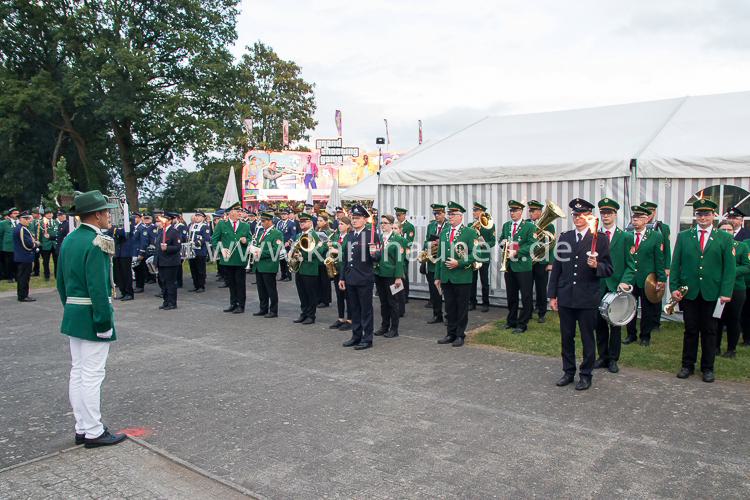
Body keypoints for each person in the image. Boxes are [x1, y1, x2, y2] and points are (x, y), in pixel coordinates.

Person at [56, 190, 127, 448]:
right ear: (97, 215)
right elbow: (99, 288)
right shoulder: (97, 242)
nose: (109, 215)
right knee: (92, 375)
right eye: (106, 211)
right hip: (92, 314)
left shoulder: (69, 239)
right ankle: (94, 430)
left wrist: (71, 309)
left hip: (74, 313)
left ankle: (82, 427)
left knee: (78, 372)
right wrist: (103, 321)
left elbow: (61, 283)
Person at [548, 198, 613, 391]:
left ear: (589, 217)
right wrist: (552, 295)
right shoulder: (565, 237)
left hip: (587, 297)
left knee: (587, 338)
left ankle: (585, 374)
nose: (577, 218)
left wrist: (597, 266)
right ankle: (568, 371)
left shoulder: (599, 239)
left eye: (582, 215)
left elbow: (609, 268)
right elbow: (557, 267)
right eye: (575, 215)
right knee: (566, 336)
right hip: (566, 296)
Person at [671, 198, 735, 383]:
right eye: (699, 214)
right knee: (690, 330)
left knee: (710, 331)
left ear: (713, 216)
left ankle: (708, 368)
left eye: (706, 214)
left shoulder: (724, 237)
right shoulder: (684, 236)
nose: (703, 217)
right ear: (695, 216)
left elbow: (729, 269)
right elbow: (676, 264)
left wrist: (725, 292)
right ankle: (687, 365)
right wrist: (674, 288)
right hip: (689, 291)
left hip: (712, 292)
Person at [594, 198, 635, 373]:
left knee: (615, 325)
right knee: (598, 324)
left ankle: (613, 358)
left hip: (616, 286)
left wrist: (625, 281)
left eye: (609, 213)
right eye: (603, 213)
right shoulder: (594, 235)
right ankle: (602, 356)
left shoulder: (625, 237)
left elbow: (631, 264)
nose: (605, 216)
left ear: (615, 215)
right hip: (597, 285)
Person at [434, 201, 478, 347]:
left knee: (461, 307)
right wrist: (437, 277)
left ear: (461, 216)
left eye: (453, 214)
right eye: (449, 214)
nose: (450, 217)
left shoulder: (470, 232)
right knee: (450, 307)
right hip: (446, 276)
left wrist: (459, 263)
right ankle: (450, 333)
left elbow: (477, 254)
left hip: (462, 276)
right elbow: (440, 255)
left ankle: (460, 334)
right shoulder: (445, 232)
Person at [623, 205, 666, 347]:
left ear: (646, 219)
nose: (635, 221)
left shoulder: (655, 236)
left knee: (647, 309)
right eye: (634, 218)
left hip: (647, 278)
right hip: (630, 278)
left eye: (639, 218)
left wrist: (661, 278)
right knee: (630, 307)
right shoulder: (627, 235)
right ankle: (631, 334)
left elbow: (659, 259)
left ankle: (645, 335)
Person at [339, 205, 380, 350]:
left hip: (364, 278)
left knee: (366, 310)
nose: (354, 221)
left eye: (357, 218)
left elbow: (377, 258)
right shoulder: (350, 236)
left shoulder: (371, 235)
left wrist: (374, 253)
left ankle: (367, 338)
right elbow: (345, 259)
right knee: (354, 309)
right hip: (350, 278)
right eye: (353, 218)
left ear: (364, 219)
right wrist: (342, 278)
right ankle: (356, 336)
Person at [499, 200, 535, 334]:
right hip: (509, 265)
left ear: (521, 212)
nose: (512, 213)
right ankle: (511, 320)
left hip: (523, 265)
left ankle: (523, 323)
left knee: (526, 296)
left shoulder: (529, 227)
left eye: (515, 211)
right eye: (511, 211)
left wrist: (517, 252)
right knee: (511, 295)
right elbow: (501, 239)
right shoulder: (506, 225)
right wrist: (503, 243)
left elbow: (532, 244)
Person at [716, 220, 750, 358]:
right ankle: (715, 347)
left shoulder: (741, 246)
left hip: (736, 288)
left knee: (733, 319)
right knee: (717, 319)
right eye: (722, 229)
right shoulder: (714, 246)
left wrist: (730, 271)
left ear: (733, 231)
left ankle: (731, 349)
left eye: (728, 230)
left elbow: (747, 266)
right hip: (717, 288)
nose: (726, 232)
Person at [212, 202, 251, 313]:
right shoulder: (221, 224)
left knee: (240, 283)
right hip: (227, 259)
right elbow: (214, 240)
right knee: (231, 283)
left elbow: (250, 239)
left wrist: (245, 241)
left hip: (240, 259)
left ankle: (241, 305)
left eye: (240, 211)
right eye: (237, 211)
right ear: (230, 213)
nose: (240, 213)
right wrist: (221, 249)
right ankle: (233, 303)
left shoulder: (245, 225)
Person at [374, 215, 405, 338]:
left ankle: (394, 328)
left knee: (393, 302)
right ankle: (384, 326)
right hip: (379, 273)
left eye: (385, 223)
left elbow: (399, 260)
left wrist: (398, 277)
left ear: (392, 224)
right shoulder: (379, 238)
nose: (383, 225)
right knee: (383, 302)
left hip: (392, 275)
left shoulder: (397, 239)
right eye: (381, 223)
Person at [291, 213, 323, 325]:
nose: (302, 223)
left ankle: (311, 315)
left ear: (310, 223)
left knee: (311, 293)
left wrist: (302, 255)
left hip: (310, 268)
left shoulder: (314, 235)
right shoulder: (298, 235)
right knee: (302, 293)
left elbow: (320, 251)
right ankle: (304, 313)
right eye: (300, 222)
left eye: (304, 222)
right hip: (299, 268)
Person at [251, 211, 283, 318]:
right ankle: (263, 308)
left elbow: (276, 250)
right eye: (261, 221)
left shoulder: (277, 233)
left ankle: (273, 310)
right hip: (259, 265)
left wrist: (260, 253)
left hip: (269, 265)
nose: (262, 223)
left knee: (271, 289)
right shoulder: (261, 233)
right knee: (261, 289)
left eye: (264, 221)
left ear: (270, 221)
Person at [527, 200, 554, 322]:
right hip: (527, 260)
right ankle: (528, 310)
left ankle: (542, 312)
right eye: (530, 211)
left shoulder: (549, 225)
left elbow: (552, 244)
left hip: (542, 261)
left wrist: (550, 263)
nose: (530, 213)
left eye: (533, 211)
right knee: (527, 288)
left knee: (541, 288)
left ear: (540, 212)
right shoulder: (527, 224)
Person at [726, 206, 750, 347]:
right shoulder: (721, 234)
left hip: (744, 281)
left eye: (735, 218)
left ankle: (747, 338)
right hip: (725, 283)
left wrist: (732, 271)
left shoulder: (747, 236)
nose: (732, 220)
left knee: (746, 312)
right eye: (730, 218)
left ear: (741, 221)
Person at [423, 203, 448, 324]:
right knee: (434, 291)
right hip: (432, 263)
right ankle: (437, 315)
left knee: (447, 292)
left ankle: (449, 316)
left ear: (444, 213)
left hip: (445, 262)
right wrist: (430, 244)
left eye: (439, 213)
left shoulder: (449, 225)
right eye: (435, 213)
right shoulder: (431, 225)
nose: (437, 216)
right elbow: (425, 241)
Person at [470, 202, 495, 313]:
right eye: (474, 210)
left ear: (482, 213)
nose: (474, 212)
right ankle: (472, 302)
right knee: (472, 281)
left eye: (476, 211)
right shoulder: (470, 225)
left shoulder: (489, 225)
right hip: (473, 256)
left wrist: (483, 244)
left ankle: (485, 303)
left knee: (484, 281)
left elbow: (493, 242)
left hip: (484, 256)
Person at [329, 216, 352, 330]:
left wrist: (337, 251)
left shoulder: (349, 237)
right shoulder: (337, 237)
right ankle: (340, 318)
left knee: (348, 296)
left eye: (342, 224)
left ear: (348, 226)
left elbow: (349, 254)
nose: (340, 225)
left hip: (347, 270)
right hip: (337, 269)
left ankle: (350, 319)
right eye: (339, 223)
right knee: (339, 296)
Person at [155, 212, 182, 310]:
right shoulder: (161, 231)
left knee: (170, 283)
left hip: (170, 262)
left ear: (169, 220)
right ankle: (166, 301)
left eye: (164, 219)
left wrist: (167, 248)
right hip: (161, 261)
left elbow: (177, 247)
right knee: (163, 283)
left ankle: (172, 302)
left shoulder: (174, 231)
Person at [108, 217, 136, 301]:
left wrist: (113, 229)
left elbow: (125, 233)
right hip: (117, 252)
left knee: (126, 274)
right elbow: (110, 234)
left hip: (125, 252)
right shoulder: (117, 224)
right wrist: (113, 229)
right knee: (119, 274)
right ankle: (123, 291)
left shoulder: (130, 222)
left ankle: (129, 293)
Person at [14, 210, 37, 302]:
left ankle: (21, 294)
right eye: (26, 219)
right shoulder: (22, 229)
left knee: (22, 277)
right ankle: (23, 296)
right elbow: (27, 244)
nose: (28, 221)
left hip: (21, 256)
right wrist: (35, 244)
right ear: (21, 219)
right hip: (25, 256)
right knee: (24, 277)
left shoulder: (19, 228)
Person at [394, 208, 415, 304]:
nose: (398, 217)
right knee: (396, 275)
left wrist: (405, 253)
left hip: (403, 252)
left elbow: (409, 242)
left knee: (404, 275)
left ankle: (405, 296)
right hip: (395, 253)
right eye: (397, 215)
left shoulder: (409, 226)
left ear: (404, 215)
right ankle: (397, 295)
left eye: (400, 215)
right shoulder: (395, 224)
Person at [187, 211, 211, 293]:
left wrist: (197, 242)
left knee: (200, 269)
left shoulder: (205, 226)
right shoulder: (191, 225)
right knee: (193, 269)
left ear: (203, 218)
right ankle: (196, 285)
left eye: (199, 216)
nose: (197, 217)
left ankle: (201, 286)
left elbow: (206, 238)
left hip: (200, 251)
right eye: (196, 216)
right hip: (191, 250)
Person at [39, 208, 59, 281]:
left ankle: (57, 275)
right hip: (45, 245)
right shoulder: (41, 223)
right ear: (45, 214)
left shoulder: (56, 222)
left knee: (56, 260)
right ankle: (46, 275)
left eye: (51, 213)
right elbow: (39, 235)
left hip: (54, 244)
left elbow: (58, 232)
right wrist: (40, 244)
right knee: (45, 261)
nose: (49, 214)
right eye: (48, 213)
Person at [276, 209, 296, 282]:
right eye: (282, 214)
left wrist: (289, 241)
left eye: (285, 214)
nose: (283, 215)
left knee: (287, 261)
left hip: (287, 245)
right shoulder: (279, 223)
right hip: (280, 244)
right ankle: (283, 275)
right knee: (281, 260)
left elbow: (293, 234)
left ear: (288, 215)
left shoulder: (291, 223)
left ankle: (289, 276)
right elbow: (277, 233)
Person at [1, 207, 20, 282]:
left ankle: (17, 276)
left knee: (18, 262)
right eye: (15, 213)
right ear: (10, 215)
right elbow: (1, 235)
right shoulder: (4, 223)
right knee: (9, 263)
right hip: (8, 247)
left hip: (18, 247)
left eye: (18, 213)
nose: (17, 215)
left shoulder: (20, 222)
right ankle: (10, 277)